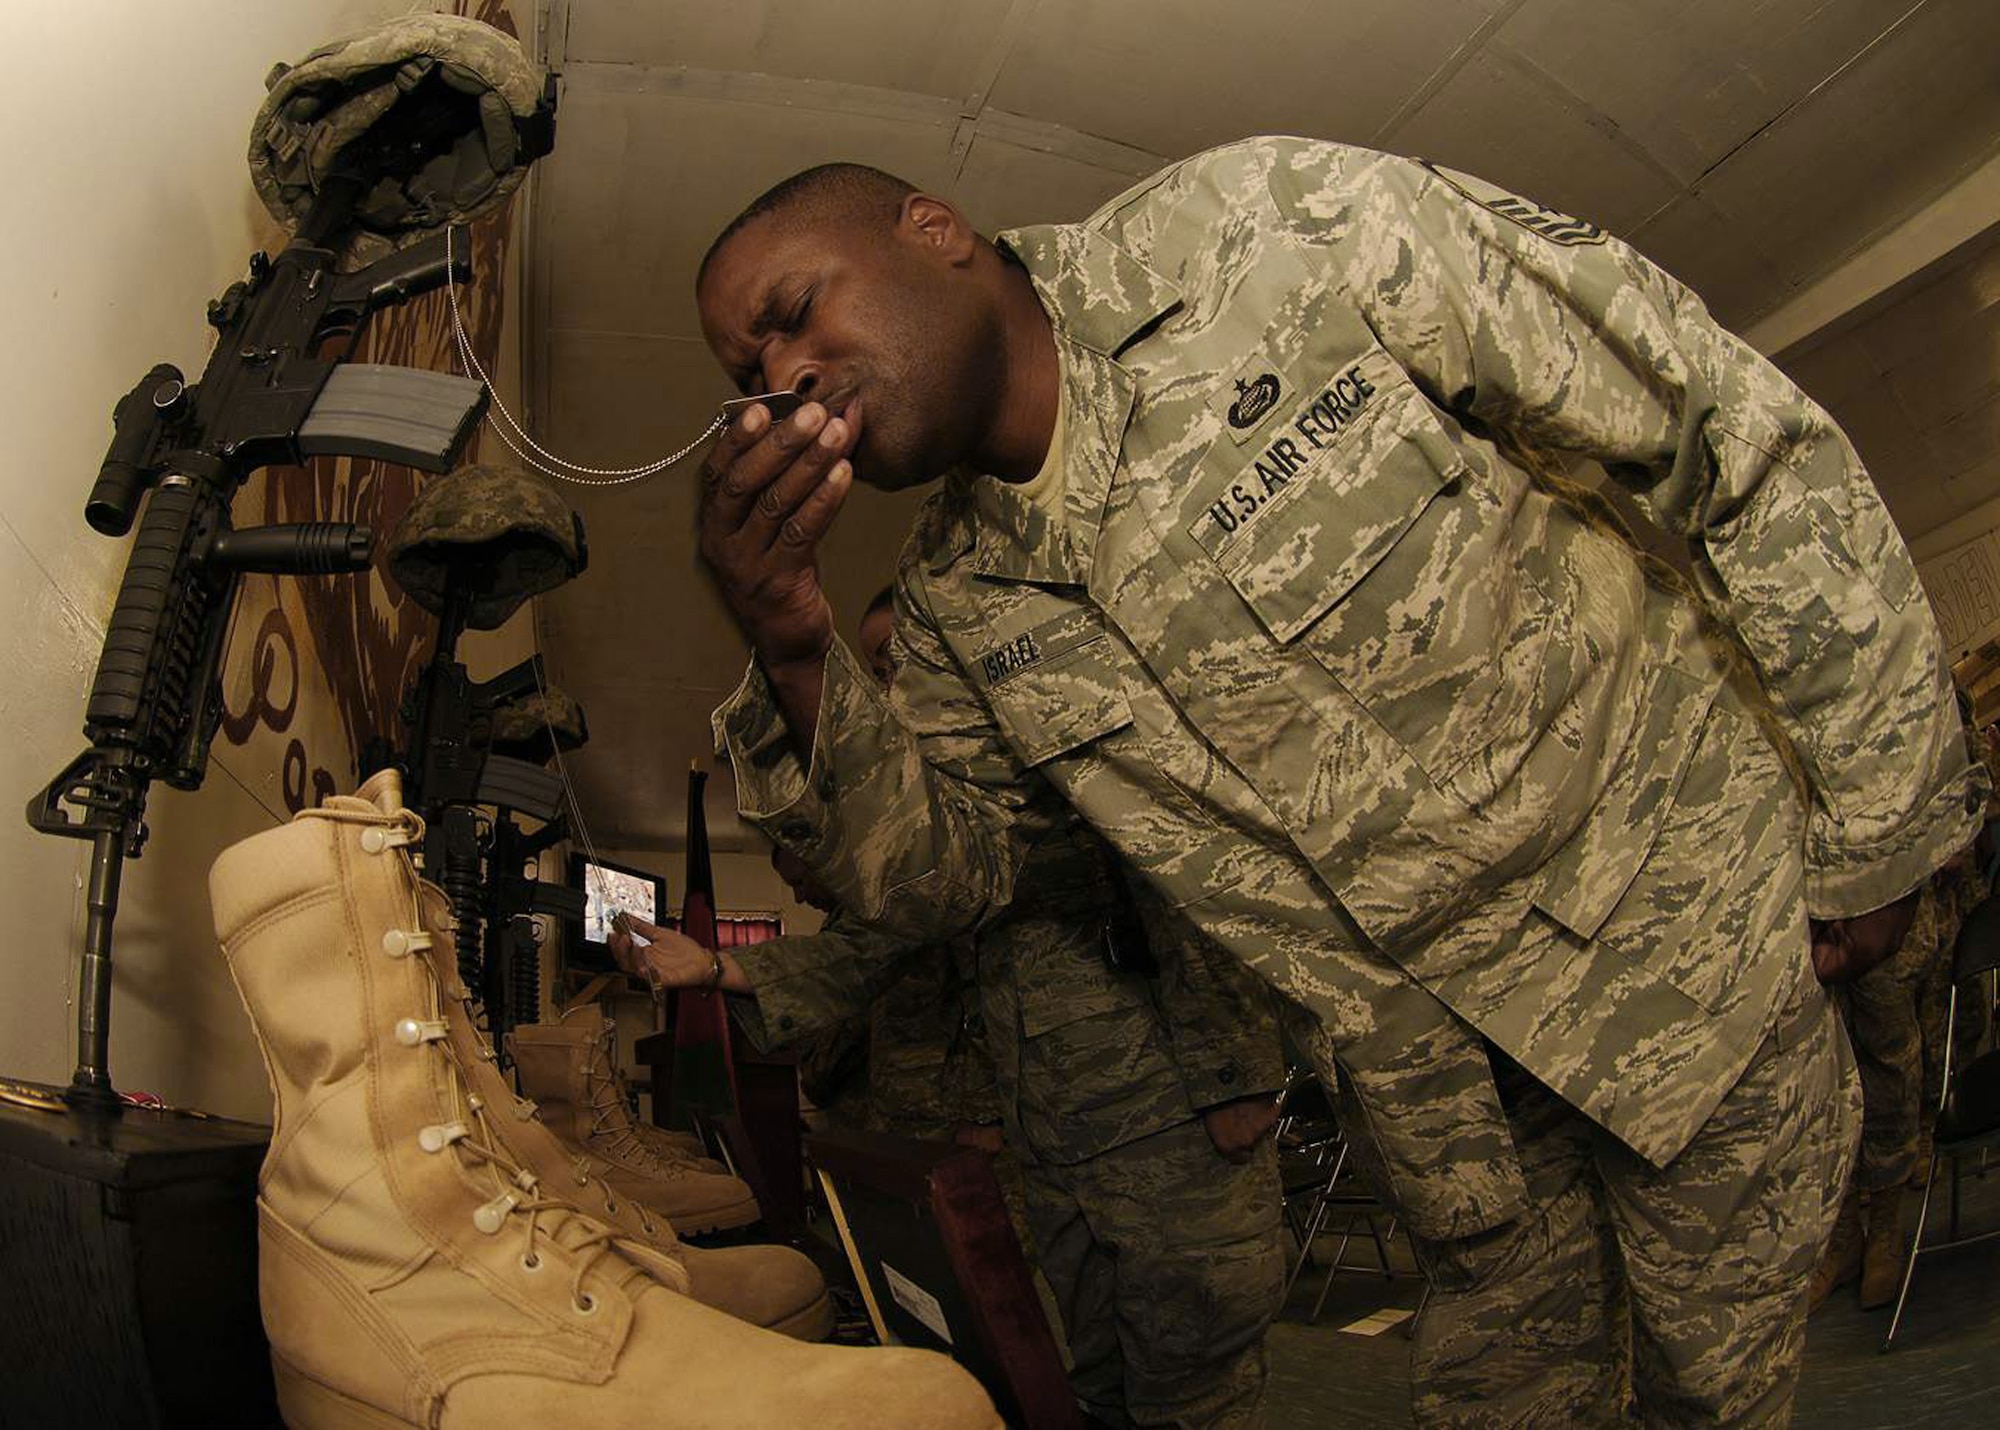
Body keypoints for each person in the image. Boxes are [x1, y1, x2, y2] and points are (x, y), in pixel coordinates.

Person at [686, 141, 1984, 1424]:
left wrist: (1880, 823)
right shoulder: (959, 599)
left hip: (1689, 963)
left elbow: (1719, 429)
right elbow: (949, 878)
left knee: (1707, 1399)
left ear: (933, 227)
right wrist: (793, 642)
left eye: (794, 314)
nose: (781, 379)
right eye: (745, 375)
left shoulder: (1280, 228)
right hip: (1458, 1119)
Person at [615, 590, 1290, 1429]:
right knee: (1098, 1387)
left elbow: (1194, 871)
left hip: (1164, 1118)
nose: (895, 686)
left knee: (1194, 1386)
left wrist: (1237, 1075)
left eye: (904, 659)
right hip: (1055, 1135)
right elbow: (871, 945)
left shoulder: (1068, 715)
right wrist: (713, 967)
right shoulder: (957, 816)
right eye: (883, 670)